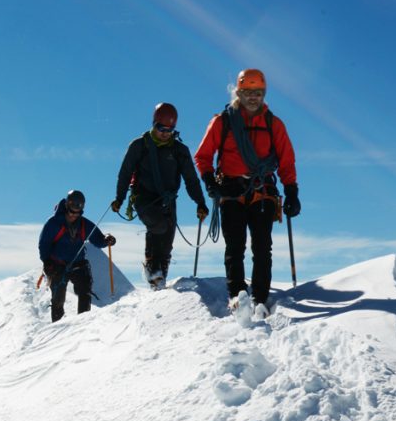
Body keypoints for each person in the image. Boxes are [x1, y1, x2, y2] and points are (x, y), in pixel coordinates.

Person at [193, 69, 300, 310]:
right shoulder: (222, 121)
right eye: (248, 92)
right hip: (231, 191)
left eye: (258, 93)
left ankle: (259, 298)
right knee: (235, 246)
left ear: (264, 94)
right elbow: (203, 156)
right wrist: (209, 180)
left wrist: (292, 190)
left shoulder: (274, 124)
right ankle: (237, 295)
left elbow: (286, 161)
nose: (253, 97)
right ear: (239, 92)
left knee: (262, 246)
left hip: (262, 191)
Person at [111, 102, 209, 290]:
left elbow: (191, 179)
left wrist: (200, 203)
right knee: (158, 225)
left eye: (169, 129)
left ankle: (159, 282)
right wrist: (119, 198)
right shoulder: (139, 146)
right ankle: (151, 267)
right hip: (144, 198)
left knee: (166, 243)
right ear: (154, 124)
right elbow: (125, 173)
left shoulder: (180, 151)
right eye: (161, 128)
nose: (165, 133)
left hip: (168, 200)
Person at [39, 190, 117, 322]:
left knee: (85, 290)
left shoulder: (84, 224)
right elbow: (44, 244)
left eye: (78, 207)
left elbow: (98, 238)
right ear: (67, 205)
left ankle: (83, 323)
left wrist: (106, 239)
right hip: (57, 265)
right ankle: (57, 327)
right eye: (72, 206)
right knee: (58, 299)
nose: (74, 213)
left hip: (78, 263)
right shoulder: (53, 223)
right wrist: (46, 261)